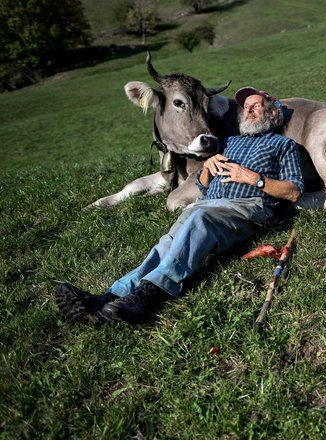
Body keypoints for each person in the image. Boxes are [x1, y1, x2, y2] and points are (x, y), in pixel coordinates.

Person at [55, 87, 304, 325]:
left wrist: (253, 178)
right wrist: (207, 169)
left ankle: (150, 294)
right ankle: (109, 298)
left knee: (200, 218)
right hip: (209, 204)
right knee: (167, 242)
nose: (247, 110)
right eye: (245, 107)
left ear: (272, 113)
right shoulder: (228, 142)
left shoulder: (284, 146)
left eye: (256, 106)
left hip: (248, 207)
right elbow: (203, 185)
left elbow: (293, 192)